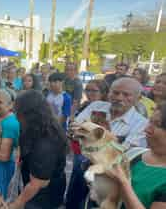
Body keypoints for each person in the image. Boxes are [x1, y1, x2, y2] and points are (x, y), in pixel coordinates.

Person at [4, 90, 68, 209]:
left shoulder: (46, 143)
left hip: (44, 193)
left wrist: (15, 205)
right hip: (33, 180)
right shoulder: (33, 126)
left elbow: (37, 183)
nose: (15, 115)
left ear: (30, 114)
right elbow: (23, 140)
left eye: (18, 112)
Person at [97, 103, 166, 209]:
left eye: (156, 124)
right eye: (150, 121)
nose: (146, 129)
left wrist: (123, 182)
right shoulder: (136, 153)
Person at [65, 79, 109, 209]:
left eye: (94, 90)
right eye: (87, 90)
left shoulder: (104, 111)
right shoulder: (85, 105)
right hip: (78, 150)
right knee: (75, 182)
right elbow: (74, 125)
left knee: (85, 188)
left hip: (91, 156)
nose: (90, 93)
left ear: (104, 92)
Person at [76, 77, 148, 148]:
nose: (119, 98)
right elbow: (75, 128)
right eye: (115, 93)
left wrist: (103, 135)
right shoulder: (96, 106)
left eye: (126, 94)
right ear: (109, 93)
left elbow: (125, 151)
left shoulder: (142, 124)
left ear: (138, 98)